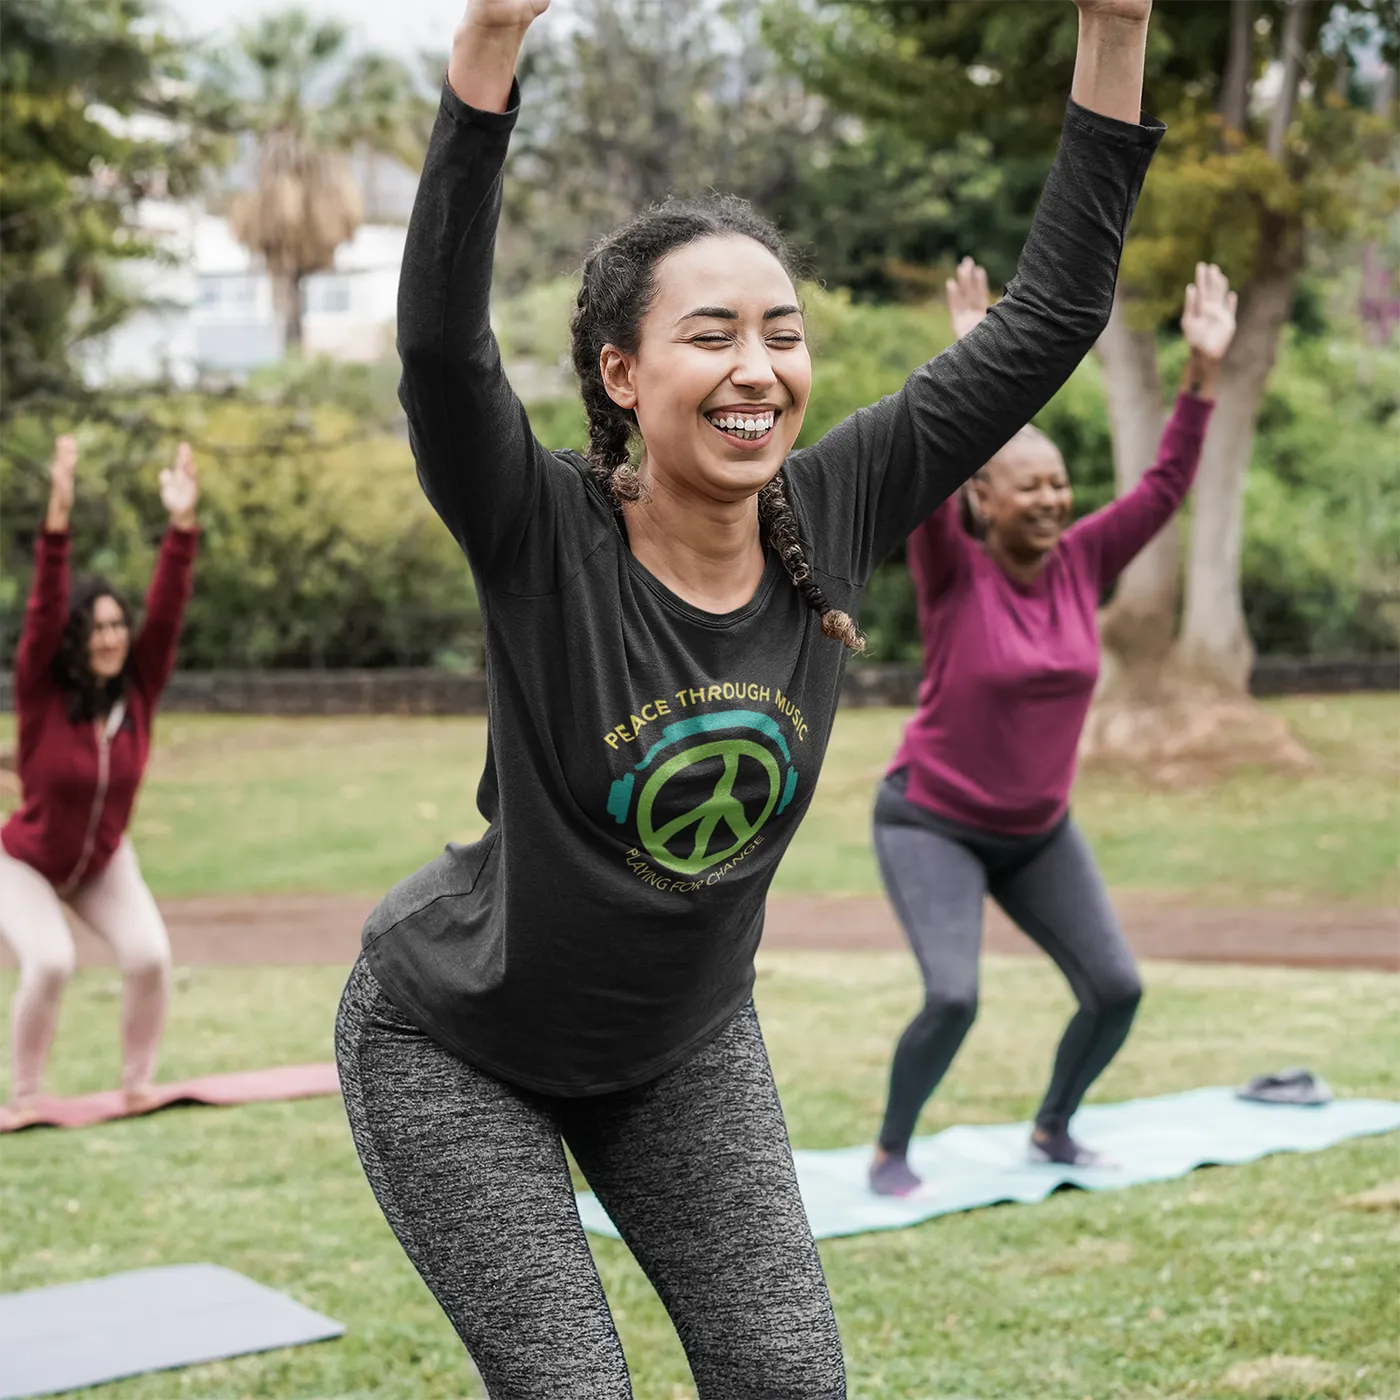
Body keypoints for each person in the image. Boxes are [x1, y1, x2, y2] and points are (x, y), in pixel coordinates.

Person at [334, 0, 1162, 1393]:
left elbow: (1054, 316)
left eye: (781, 334)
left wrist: (1119, 25)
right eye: (709, 335)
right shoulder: (539, 529)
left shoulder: (836, 505)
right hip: (454, 1042)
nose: (756, 370)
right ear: (621, 371)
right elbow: (440, 355)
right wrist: (485, 52)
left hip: (681, 1045)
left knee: (789, 1381)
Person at [867, 259, 1238, 1198]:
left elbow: (1162, 486)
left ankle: (1053, 1130)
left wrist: (1201, 371)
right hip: (932, 819)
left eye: (1058, 484)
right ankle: (890, 1151)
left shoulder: (1083, 561)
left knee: (1116, 988)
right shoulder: (951, 567)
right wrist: (972, 363)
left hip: (1036, 832)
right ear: (983, 500)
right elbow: (937, 454)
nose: (1049, 499)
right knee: (953, 996)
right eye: (1026, 487)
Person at [1, 435, 199, 1126]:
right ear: (78, 637)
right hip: (23, 860)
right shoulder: (40, 690)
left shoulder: (138, 690)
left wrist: (181, 526)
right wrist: (59, 507)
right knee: (50, 960)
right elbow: (44, 606)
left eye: (118, 625)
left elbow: (168, 612)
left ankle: (137, 1084)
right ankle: (26, 1097)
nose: (111, 638)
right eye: (97, 627)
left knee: (149, 955)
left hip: (101, 861)